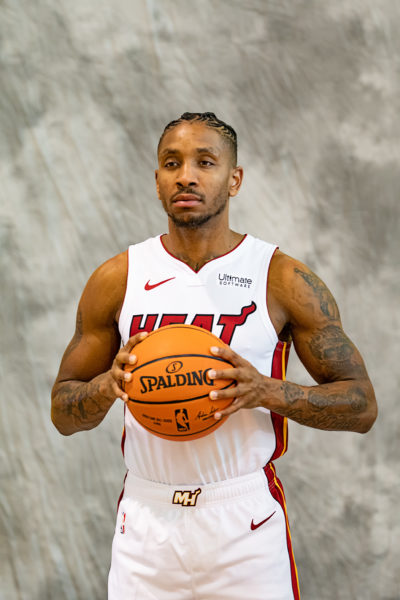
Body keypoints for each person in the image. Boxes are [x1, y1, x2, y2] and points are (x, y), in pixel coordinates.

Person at [51, 112, 377, 599]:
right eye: (172, 163)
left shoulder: (281, 278)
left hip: (242, 518)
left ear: (234, 179)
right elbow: (62, 410)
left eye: (206, 162)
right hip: (147, 522)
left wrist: (267, 390)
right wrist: (106, 386)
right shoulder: (118, 278)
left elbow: (361, 406)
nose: (187, 175)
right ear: (157, 180)